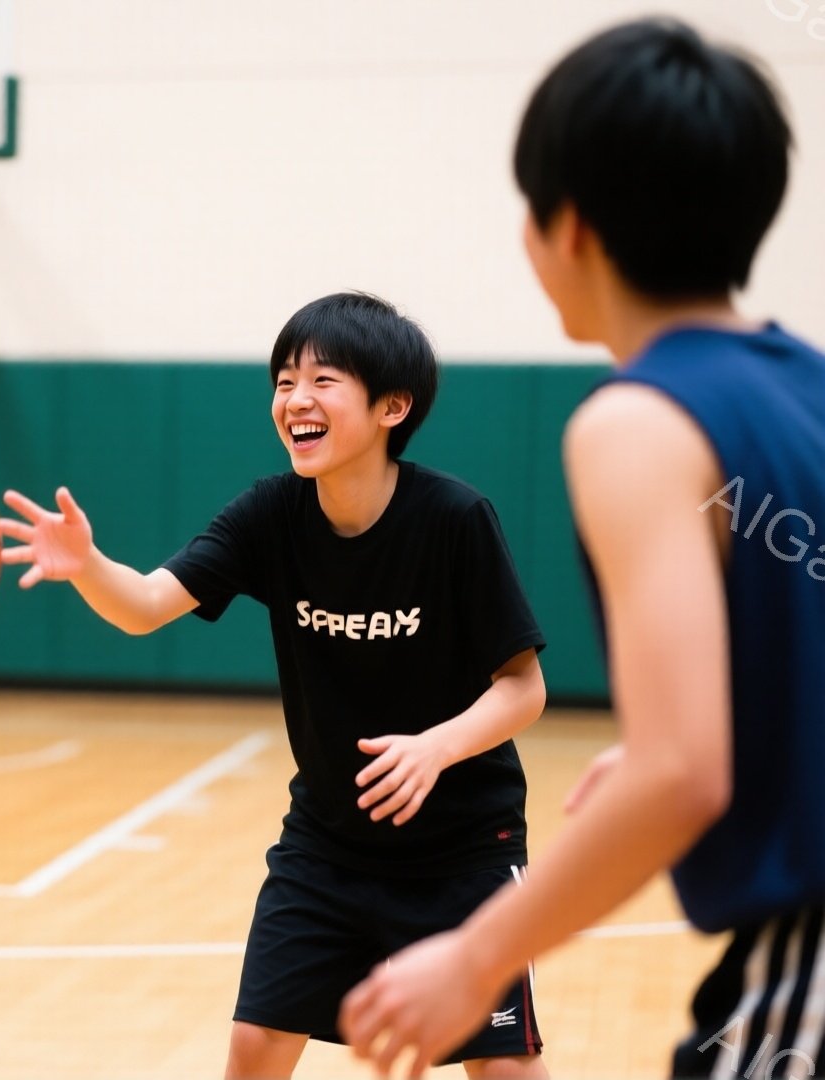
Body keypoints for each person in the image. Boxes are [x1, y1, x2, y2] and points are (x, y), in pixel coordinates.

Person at [339, 19, 822, 1080]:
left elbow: (682, 775)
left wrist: (475, 958)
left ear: (571, 227)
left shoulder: (637, 421)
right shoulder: (811, 384)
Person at [2, 292, 549, 1078]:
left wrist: (435, 748)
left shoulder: (454, 519)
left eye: (323, 380)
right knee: (255, 1049)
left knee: (502, 1068)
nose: (295, 399)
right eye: (285, 381)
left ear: (392, 406)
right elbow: (146, 605)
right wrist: (87, 565)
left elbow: (523, 688)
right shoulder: (271, 514)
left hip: (461, 852)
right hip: (327, 846)